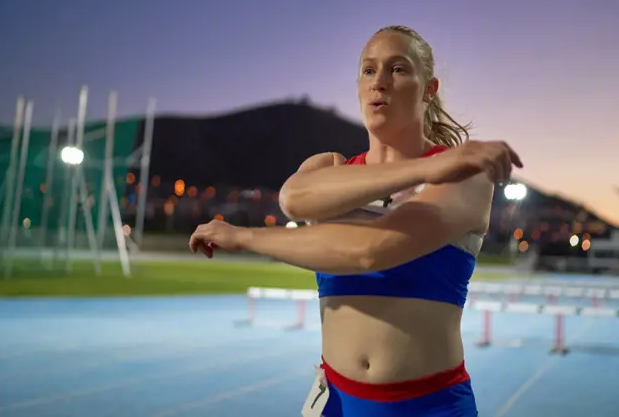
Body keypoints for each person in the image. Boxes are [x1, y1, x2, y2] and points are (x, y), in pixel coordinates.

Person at [189, 25, 523, 416]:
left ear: (428, 89)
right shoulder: (329, 167)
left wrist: (243, 238)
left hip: (428, 405)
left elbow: (372, 250)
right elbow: (292, 199)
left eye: (397, 69)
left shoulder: (466, 175)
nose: (379, 82)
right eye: (368, 70)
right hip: (336, 403)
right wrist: (424, 170)